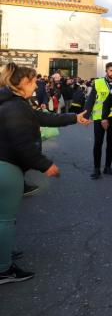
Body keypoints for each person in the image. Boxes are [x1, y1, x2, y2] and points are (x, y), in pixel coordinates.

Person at [0, 63, 90, 284]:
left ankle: (2, 256)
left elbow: (43, 119)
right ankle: (3, 269)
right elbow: (22, 145)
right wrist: (45, 165)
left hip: (5, 164)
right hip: (7, 167)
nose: (36, 85)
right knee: (5, 220)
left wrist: (73, 117)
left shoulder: (14, 103)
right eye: (32, 81)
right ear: (22, 83)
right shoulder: (15, 107)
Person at [83, 62, 112, 179]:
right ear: (106, 71)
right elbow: (90, 100)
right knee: (98, 143)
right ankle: (96, 169)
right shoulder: (98, 82)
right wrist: (85, 116)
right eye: (111, 70)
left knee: (111, 144)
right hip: (99, 118)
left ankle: (108, 167)